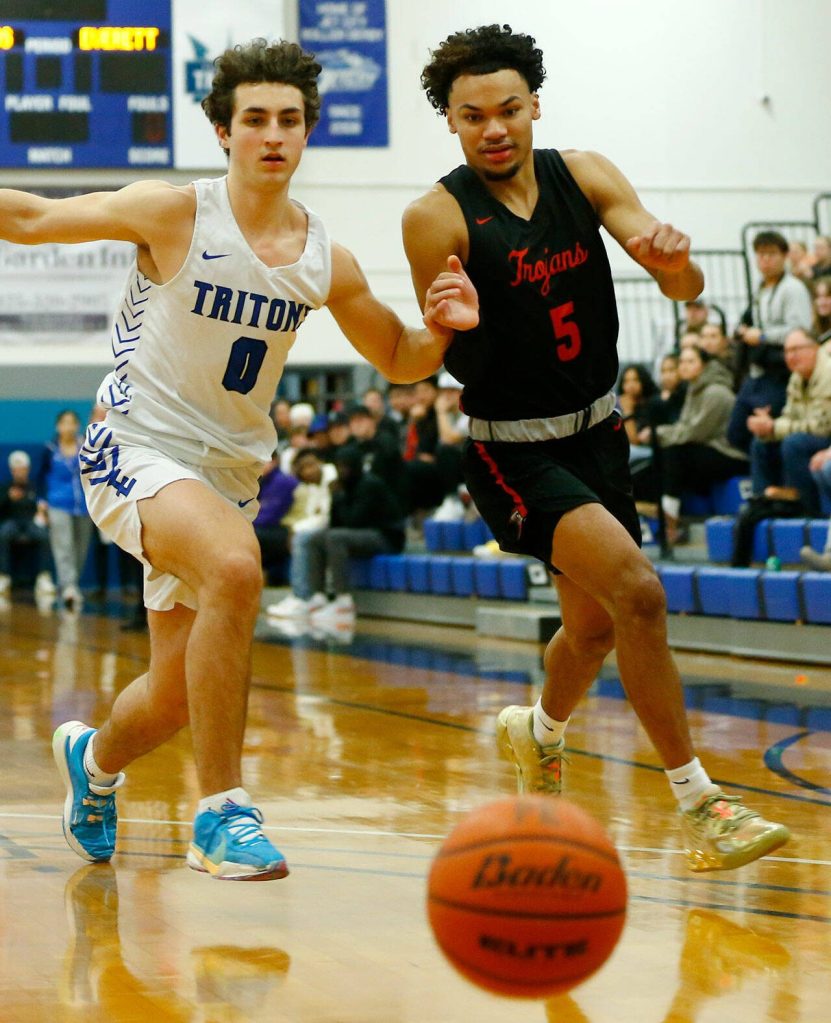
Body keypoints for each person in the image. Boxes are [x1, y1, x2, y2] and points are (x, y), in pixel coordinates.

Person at [0, 38, 467, 880]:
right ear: (223, 131)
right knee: (236, 568)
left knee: (177, 695)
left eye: (289, 119)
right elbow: (32, 219)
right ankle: (220, 814)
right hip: (134, 443)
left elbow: (399, 356)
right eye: (254, 119)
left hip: (225, 476)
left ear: (306, 131)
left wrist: (446, 326)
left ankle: (94, 764)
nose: (272, 134)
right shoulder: (174, 211)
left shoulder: (324, 258)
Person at [402, 23, 789, 871]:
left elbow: (678, 281)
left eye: (508, 108)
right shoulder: (434, 215)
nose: (494, 127)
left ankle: (536, 730)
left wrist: (674, 263)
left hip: (600, 433)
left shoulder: (582, 171)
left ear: (533, 104)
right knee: (638, 594)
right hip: (512, 449)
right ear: (454, 124)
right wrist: (456, 328)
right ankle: (700, 801)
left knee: (590, 630)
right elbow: (447, 358)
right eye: (473, 116)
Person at [728, 230, 813, 452]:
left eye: (771, 254)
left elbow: (801, 330)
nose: (765, 259)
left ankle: (775, 482)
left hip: (780, 371)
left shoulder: (793, 288)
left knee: (767, 436)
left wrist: (763, 335)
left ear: (784, 256)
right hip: (758, 372)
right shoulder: (761, 289)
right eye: (761, 254)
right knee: (736, 432)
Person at [655, 347, 748, 545]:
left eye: (690, 361)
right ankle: (659, 515)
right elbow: (684, 427)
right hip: (708, 450)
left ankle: (670, 524)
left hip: (730, 454)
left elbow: (695, 432)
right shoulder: (694, 388)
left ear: (704, 364)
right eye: (682, 362)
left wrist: (659, 434)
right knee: (663, 456)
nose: (684, 366)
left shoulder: (716, 392)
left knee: (675, 452)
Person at [745, 328, 831, 515]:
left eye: (796, 349)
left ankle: (806, 509)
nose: (790, 356)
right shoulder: (797, 377)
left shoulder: (828, 373)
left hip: (826, 439)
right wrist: (767, 425)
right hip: (809, 435)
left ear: (814, 348)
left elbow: (822, 426)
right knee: (761, 442)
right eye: (787, 351)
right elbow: (790, 417)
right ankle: (763, 505)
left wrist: (775, 427)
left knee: (794, 444)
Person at [37, 409, 94, 610]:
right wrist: (41, 502)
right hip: (57, 504)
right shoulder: (50, 449)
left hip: (84, 505)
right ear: (58, 426)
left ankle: (71, 584)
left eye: (72, 422)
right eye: (64, 423)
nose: (68, 427)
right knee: (64, 546)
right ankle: (68, 586)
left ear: (78, 426)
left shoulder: (85, 448)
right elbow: (41, 476)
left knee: (81, 548)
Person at [0, 450, 55, 600]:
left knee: (43, 535)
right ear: (12, 471)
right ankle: (3, 576)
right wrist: (7, 498)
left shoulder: (35, 488)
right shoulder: (5, 488)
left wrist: (43, 512)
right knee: (3, 533)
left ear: (28, 470)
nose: (20, 473)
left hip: (31, 523)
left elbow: (42, 507)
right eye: (17, 470)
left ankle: (43, 577)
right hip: (11, 523)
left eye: (23, 469)